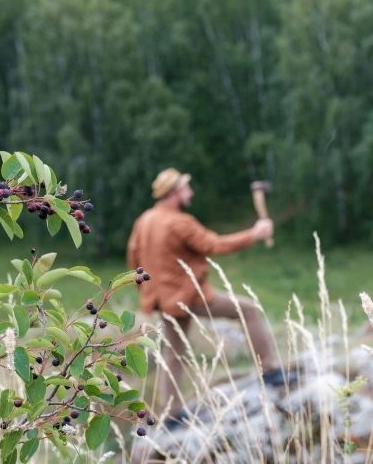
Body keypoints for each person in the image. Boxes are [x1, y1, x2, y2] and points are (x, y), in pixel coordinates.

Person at [126, 168, 296, 430]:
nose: (190, 192)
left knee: (173, 351)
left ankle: (170, 414)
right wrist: (255, 234)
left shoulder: (144, 220)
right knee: (248, 309)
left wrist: (150, 295)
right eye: (186, 188)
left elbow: (134, 260)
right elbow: (214, 245)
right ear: (173, 193)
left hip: (163, 298)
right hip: (186, 295)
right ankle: (271, 371)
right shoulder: (179, 222)